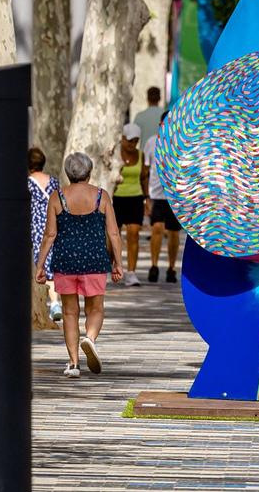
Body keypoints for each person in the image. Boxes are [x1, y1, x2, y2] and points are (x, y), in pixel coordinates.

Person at [34, 151, 121, 379]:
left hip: (65, 261)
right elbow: (113, 232)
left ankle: (73, 364)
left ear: (67, 173)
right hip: (94, 260)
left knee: (69, 312)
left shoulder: (57, 196)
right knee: (96, 308)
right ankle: (89, 339)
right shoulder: (102, 197)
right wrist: (118, 264)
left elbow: (49, 235)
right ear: (90, 172)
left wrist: (40, 265)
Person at [143, 132, 182, 284]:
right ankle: (154, 266)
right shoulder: (151, 142)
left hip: (174, 197)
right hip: (156, 195)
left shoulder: (181, 142)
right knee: (157, 228)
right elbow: (145, 171)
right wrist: (146, 196)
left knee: (173, 233)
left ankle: (171, 268)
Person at [28, 147, 59, 326]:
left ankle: (44, 302)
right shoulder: (54, 182)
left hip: (34, 228)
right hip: (52, 225)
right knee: (50, 268)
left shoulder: (27, 183)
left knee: (37, 266)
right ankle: (54, 303)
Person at [113, 124, 146, 287]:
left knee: (133, 234)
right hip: (116, 198)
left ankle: (131, 272)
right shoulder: (114, 154)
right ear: (123, 139)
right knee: (113, 237)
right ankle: (114, 266)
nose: (132, 145)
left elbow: (144, 177)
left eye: (135, 141)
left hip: (135, 198)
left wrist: (147, 200)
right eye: (129, 141)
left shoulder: (141, 155)